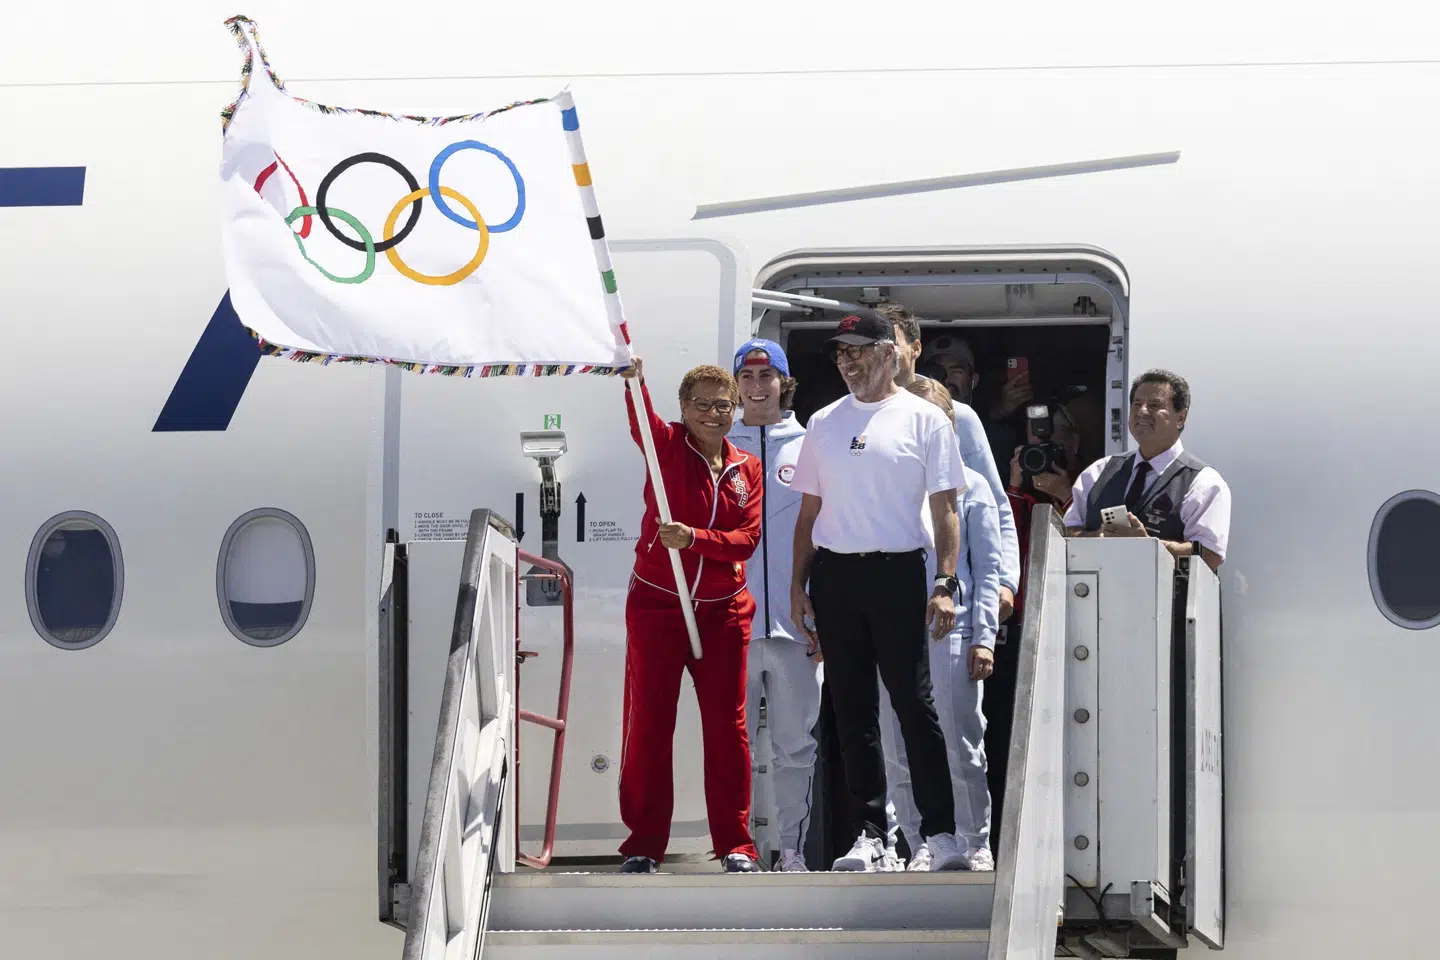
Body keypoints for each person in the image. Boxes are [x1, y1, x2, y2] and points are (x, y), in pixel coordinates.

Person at [788, 312, 970, 873]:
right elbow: (809, 511)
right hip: (836, 576)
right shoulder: (821, 422)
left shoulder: (925, 419)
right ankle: (871, 836)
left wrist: (944, 581)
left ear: (889, 353)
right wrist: (798, 585)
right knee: (851, 708)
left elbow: (946, 508)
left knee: (915, 705)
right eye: (840, 354)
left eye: (858, 351)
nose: (847, 362)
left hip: (897, 571)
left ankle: (940, 836)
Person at [617, 356, 765, 874]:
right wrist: (635, 379)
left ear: (736, 409)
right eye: (700, 404)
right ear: (683, 409)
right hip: (658, 604)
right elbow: (640, 416)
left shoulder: (747, 467)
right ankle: (644, 843)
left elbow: (746, 541)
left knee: (728, 728)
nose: (712, 413)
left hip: (723, 612)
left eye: (722, 405)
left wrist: (694, 539)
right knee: (652, 723)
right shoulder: (665, 447)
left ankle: (735, 844)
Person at [879, 377, 1003, 872]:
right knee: (897, 743)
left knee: (961, 742)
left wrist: (986, 637)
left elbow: (989, 569)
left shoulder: (972, 486)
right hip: (895, 631)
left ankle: (974, 840)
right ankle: (921, 840)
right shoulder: (887, 484)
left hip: (955, 632)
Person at [726, 338, 821, 873]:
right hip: (732, 623)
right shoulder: (717, 446)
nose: (757, 387)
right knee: (731, 743)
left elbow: (827, 534)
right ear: (736, 384)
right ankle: (736, 847)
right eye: (747, 377)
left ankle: (791, 850)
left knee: (793, 745)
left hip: (795, 626)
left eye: (767, 376)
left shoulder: (812, 443)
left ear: (784, 382)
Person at [876, 303, 1020, 624]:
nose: (882, 352)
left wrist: (1006, 581)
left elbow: (995, 505)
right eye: (874, 344)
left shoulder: (960, 417)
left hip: (949, 601)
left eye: (890, 342)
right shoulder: (859, 418)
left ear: (914, 349)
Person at [1065, 369, 1231, 571]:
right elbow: (1066, 534)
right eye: (1136, 404)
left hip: (1167, 601)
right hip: (1098, 599)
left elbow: (1209, 556)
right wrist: (1098, 537)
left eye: (1154, 405)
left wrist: (1148, 546)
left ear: (1181, 417)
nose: (1142, 411)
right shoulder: (1098, 472)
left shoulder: (1204, 483)